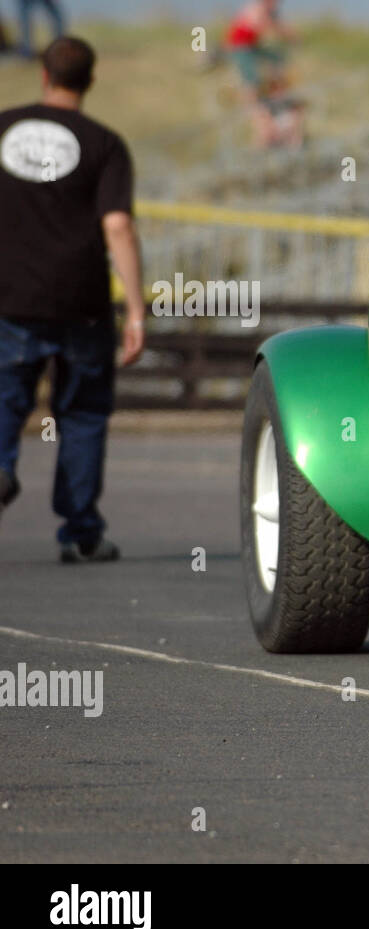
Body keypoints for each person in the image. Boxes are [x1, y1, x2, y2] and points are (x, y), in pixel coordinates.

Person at [0, 36, 146, 562]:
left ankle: (0, 464)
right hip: (81, 302)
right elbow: (119, 227)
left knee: (5, 396)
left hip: (9, 298)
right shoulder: (105, 143)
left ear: (43, 74)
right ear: (90, 80)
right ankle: (81, 531)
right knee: (82, 415)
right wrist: (135, 307)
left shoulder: (2, 127)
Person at [225, 0, 303, 148]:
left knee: (278, 59)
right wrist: (285, 33)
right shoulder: (259, 8)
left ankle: (275, 91)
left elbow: (277, 26)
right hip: (241, 47)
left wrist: (291, 36)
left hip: (252, 46)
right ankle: (256, 107)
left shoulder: (268, 10)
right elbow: (265, 25)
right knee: (251, 80)